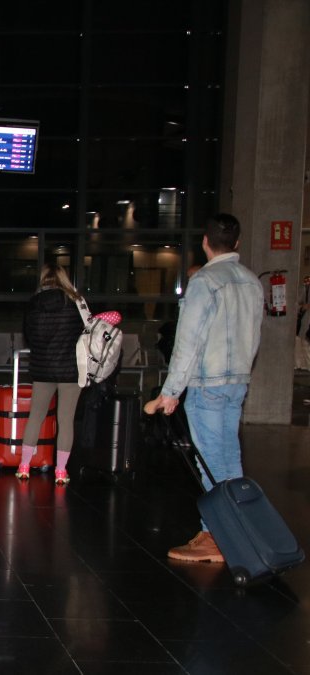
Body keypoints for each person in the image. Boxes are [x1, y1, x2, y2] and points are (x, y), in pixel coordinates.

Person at [147, 213, 263, 564]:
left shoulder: (205, 282)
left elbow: (188, 342)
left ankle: (216, 538)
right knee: (229, 457)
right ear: (238, 243)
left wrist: (170, 392)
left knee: (211, 461)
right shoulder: (251, 282)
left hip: (208, 384)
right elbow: (255, 337)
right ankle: (238, 530)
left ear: (205, 242)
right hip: (236, 383)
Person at [17, 263, 87, 485]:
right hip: (70, 370)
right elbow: (89, 332)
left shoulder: (33, 304)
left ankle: (24, 466)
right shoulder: (76, 303)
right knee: (65, 421)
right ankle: (60, 471)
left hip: (42, 369)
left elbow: (28, 335)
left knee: (35, 417)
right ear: (64, 279)